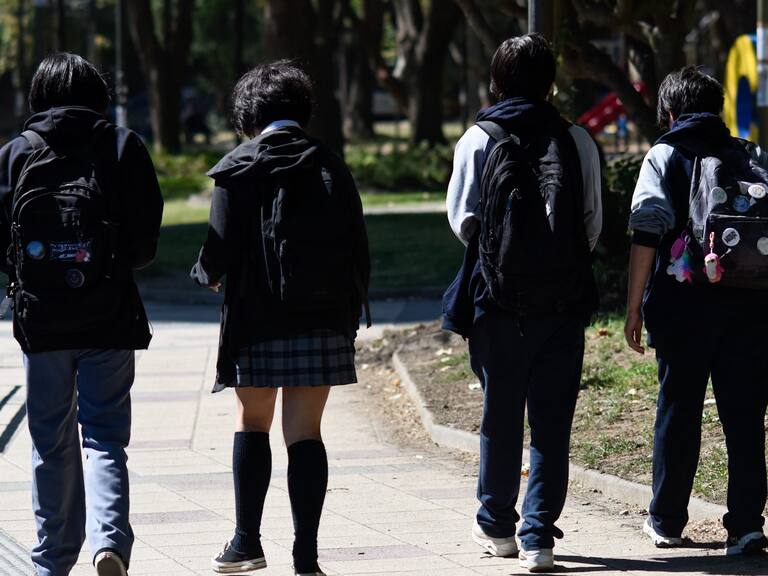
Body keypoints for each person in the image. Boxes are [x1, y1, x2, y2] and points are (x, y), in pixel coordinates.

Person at [191, 60, 370, 576]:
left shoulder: (237, 166)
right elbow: (358, 246)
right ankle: (306, 558)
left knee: (253, 421)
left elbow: (218, 251)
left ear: (248, 114)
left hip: (256, 317)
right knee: (306, 431)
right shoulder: (330, 164)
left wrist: (204, 275)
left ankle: (246, 543)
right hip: (323, 316)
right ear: (303, 109)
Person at [0, 53, 163, 576]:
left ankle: (51, 561)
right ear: (98, 95)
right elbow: (144, 244)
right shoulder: (122, 146)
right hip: (109, 316)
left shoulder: (15, 154)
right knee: (104, 435)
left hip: (41, 321)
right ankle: (108, 541)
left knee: (49, 441)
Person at [444, 34, 602, 572]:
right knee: (553, 421)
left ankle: (496, 525)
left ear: (496, 82)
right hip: (563, 300)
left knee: (501, 414)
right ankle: (538, 537)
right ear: (551, 83)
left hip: (496, 300)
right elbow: (591, 223)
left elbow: (463, 220)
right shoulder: (576, 139)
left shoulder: (478, 138)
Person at [625, 66, 768, 555]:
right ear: (718, 109)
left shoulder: (664, 154)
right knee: (745, 417)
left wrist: (633, 308)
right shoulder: (751, 155)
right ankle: (746, 527)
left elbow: (647, 231)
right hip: (750, 306)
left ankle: (666, 521)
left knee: (678, 410)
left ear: (670, 112)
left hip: (681, 304)